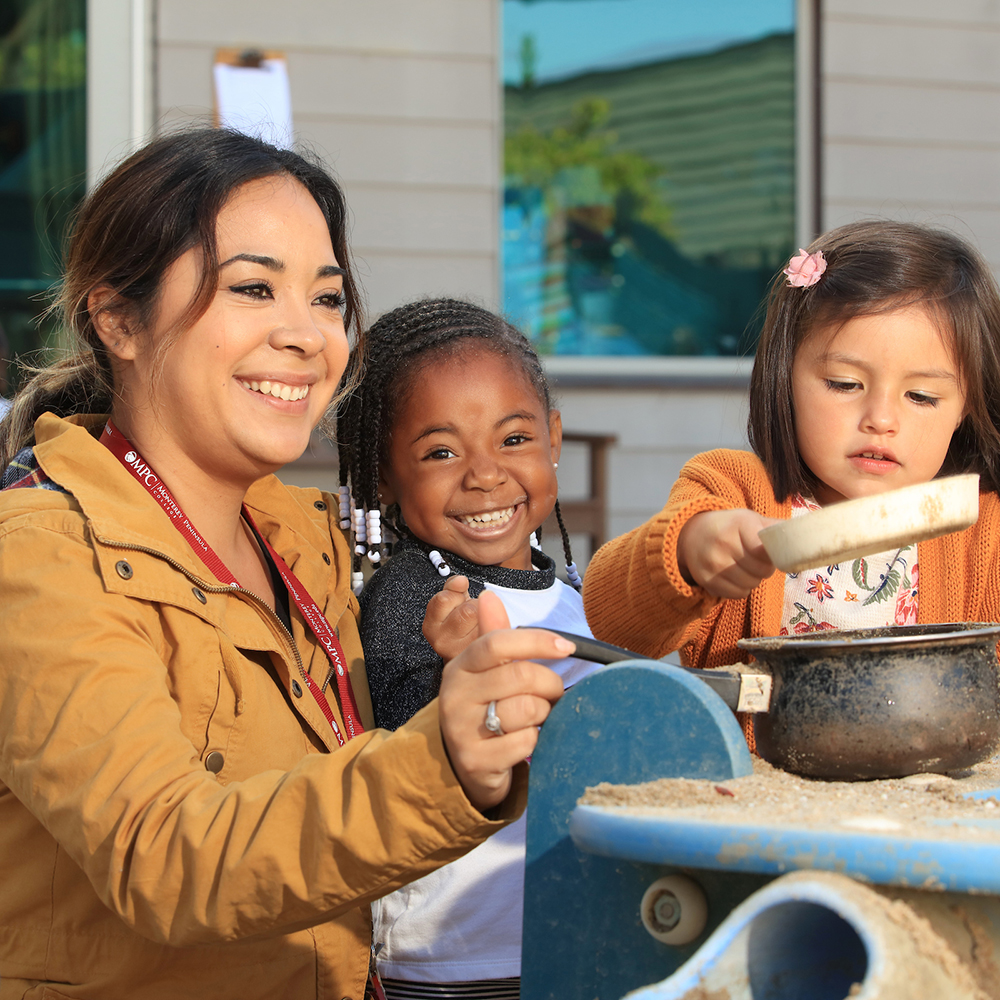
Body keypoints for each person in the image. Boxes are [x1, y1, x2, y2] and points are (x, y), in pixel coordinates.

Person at [0, 130, 572, 1000]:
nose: (308, 336)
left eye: (328, 298)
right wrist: (441, 759)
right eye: (254, 288)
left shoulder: (304, 539)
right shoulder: (38, 555)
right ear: (118, 317)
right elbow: (163, 856)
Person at [583, 220, 1000, 750]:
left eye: (921, 396)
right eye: (845, 385)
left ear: (966, 407)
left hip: (923, 809)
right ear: (786, 376)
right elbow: (607, 621)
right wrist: (687, 553)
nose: (881, 419)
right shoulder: (733, 492)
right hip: (760, 805)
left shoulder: (983, 533)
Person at [335, 298, 599, 999]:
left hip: (561, 935)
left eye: (513, 440)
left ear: (554, 438)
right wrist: (448, 669)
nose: (484, 475)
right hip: (452, 955)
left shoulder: (572, 587)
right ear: (384, 478)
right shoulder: (417, 598)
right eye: (441, 452)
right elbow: (392, 736)